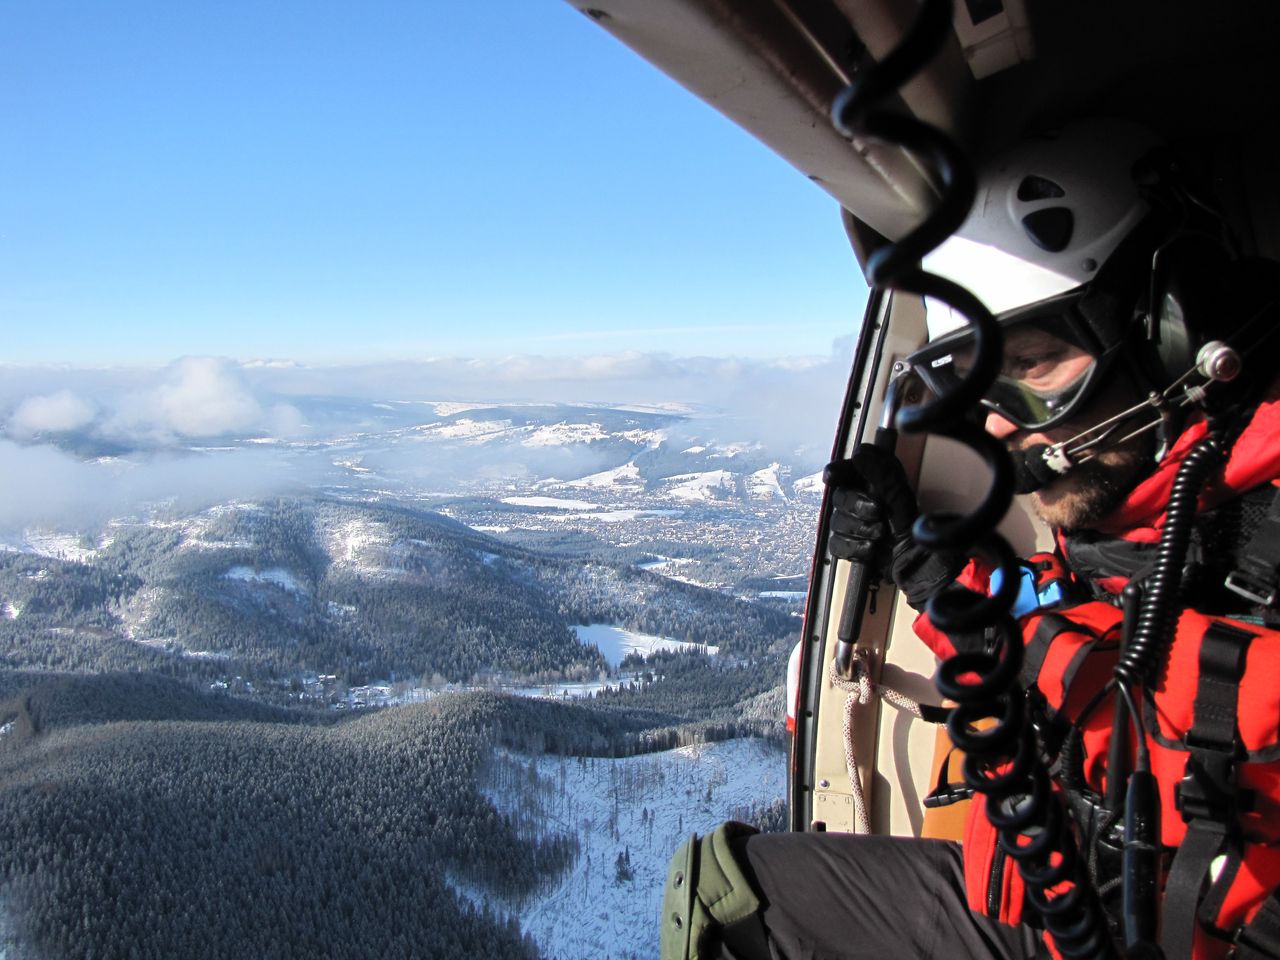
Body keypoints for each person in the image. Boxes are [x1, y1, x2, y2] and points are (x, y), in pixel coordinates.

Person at [660, 119, 1280, 960]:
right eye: (980, 385)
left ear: (1169, 326)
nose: (1001, 425)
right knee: (724, 895)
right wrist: (926, 566)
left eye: (1035, 367)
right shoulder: (1141, 517)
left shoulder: (1247, 532)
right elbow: (1081, 629)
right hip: (1065, 897)